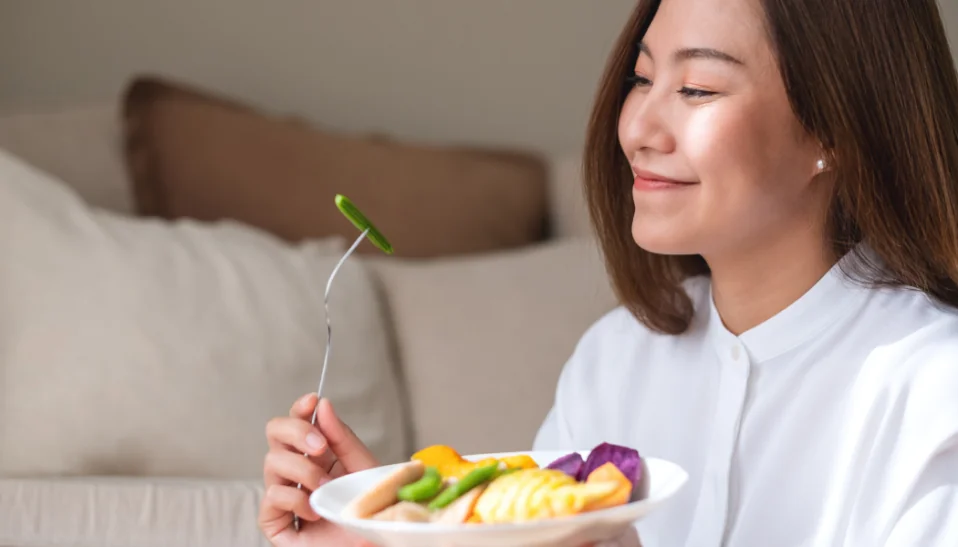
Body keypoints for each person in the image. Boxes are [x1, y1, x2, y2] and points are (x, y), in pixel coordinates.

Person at [259, 0, 958, 544]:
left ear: (835, 129)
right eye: (643, 78)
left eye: (698, 88)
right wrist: (383, 538)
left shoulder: (933, 391)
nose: (639, 129)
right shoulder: (615, 360)